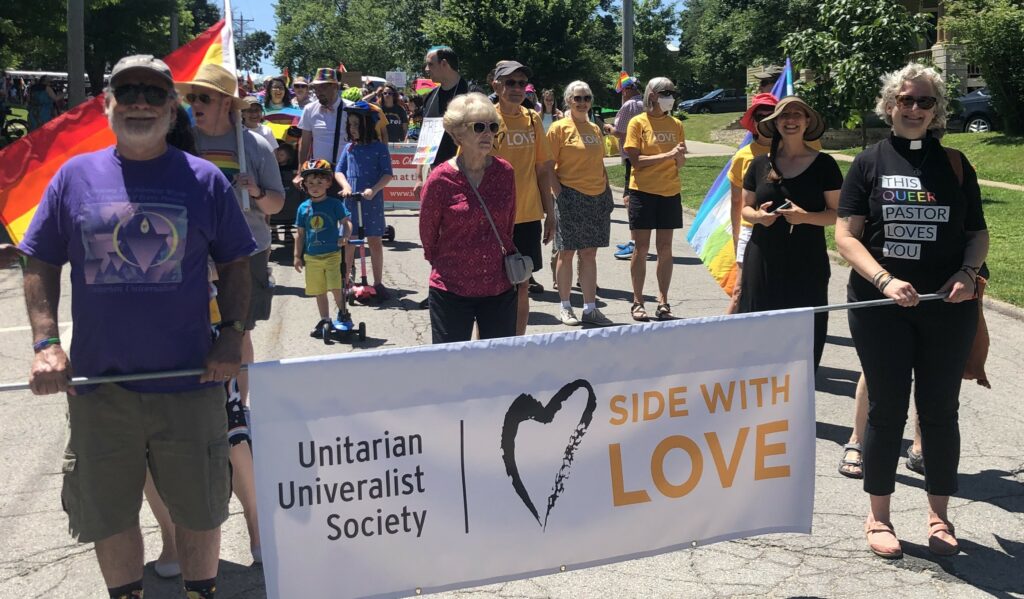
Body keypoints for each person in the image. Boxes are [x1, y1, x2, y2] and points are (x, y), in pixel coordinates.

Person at [18, 54, 256, 599]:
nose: (141, 103)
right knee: (109, 513)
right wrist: (47, 343)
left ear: (173, 108)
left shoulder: (204, 181)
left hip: (191, 381)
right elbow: (40, 261)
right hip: (103, 388)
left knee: (200, 508)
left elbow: (238, 264)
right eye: (128, 92)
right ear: (107, 104)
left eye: (154, 92)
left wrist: (231, 335)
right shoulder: (73, 177)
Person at [835, 63, 988, 559]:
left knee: (940, 411)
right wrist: (884, 278)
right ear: (889, 106)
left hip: (948, 307)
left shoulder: (958, 164)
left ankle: (938, 514)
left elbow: (977, 234)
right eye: (906, 100)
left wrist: (968, 274)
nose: (915, 109)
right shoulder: (867, 162)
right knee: (886, 408)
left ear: (937, 110)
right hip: (881, 305)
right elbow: (845, 236)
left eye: (925, 101)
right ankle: (878, 515)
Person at [177, 62, 285, 565]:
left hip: (244, 255)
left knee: (239, 329)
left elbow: (280, 204)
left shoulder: (255, 145)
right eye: (192, 95)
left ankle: (242, 403)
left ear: (227, 102)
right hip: (195, 262)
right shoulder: (181, 141)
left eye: (204, 95)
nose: (195, 102)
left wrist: (254, 191)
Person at [738, 96, 840, 371]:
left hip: (807, 261)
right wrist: (760, 217)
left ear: (808, 122)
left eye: (798, 114)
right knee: (758, 329)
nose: (791, 120)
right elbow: (745, 210)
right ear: (775, 123)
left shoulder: (825, 165)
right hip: (762, 259)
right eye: (784, 115)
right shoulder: (759, 164)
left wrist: (805, 217)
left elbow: (837, 214)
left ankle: (796, 400)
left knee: (803, 334)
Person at [419, 93, 517, 343]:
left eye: (492, 127)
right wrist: (447, 262)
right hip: (451, 288)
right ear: (457, 134)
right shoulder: (440, 179)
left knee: (497, 363)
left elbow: (508, 225)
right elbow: (428, 234)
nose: (487, 133)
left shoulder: (505, 172)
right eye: (478, 127)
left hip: (498, 286)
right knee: (450, 366)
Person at [490, 60, 556, 335]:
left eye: (522, 84)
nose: (517, 89)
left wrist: (550, 213)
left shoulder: (532, 120)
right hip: (493, 218)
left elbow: (543, 168)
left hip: (527, 215)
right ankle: (487, 347)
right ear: (495, 84)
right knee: (491, 288)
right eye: (510, 82)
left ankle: (517, 345)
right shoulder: (486, 119)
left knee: (522, 284)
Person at [547, 81, 614, 326]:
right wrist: (560, 195)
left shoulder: (595, 129)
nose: (582, 102)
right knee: (566, 253)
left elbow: (599, 164)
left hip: (597, 196)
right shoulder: (558, 129)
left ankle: (590, 308)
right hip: (570, 195)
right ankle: (566, 306)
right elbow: (548, 167)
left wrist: (607, 194)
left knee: (590, 254)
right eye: (577, 98)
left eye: (586, 97)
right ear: (568, 100)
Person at [623, 77, 686, 322]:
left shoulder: (676, 124)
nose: (669, 96)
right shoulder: (638, 122)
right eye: (664, 92)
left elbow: (679, 162)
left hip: (670, 191)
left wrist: (678, 157)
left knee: (665, 249)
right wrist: (668, 154)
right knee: (641, 248)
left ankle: (663, 301)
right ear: (652, 95)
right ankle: (638, 301)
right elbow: (636, 161)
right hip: (643, 192)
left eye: (671, 92)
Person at [724, 93, 778, 315]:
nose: (764, 120)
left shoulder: (791, 153)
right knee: (740, 289)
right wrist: (737, 239)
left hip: (785, 229)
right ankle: (720, 338)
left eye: (770, 115)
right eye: (759, 115)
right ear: (753, 121)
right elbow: (737, 202)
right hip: (750, 230)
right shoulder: (743, 156)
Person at [335, 102, 394, 298]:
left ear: (367, 126)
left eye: (356, 125)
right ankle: (346, 282)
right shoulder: (349, 148)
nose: (352, 129)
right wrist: (345, 186)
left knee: (375, 240)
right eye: (350, 125)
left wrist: (374, 189)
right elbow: (339, 172)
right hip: (351, 201)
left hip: (372, 200)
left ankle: (377, 282)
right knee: (350, 240)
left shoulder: (379, 148)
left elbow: (387, 174)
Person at [294, 159, 352, 335]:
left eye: (320, 182)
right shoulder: (303, 208)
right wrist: (297, 256)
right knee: (318, 290)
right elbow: (300, 234)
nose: (315, 186)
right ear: (304, 185)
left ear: (328, 183)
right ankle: (325, 319)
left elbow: (346, 222)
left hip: (333, 254)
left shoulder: (334, 204)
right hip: (312, 257)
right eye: (310, 183)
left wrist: (345, 236)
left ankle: (343, 314)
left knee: (336, 287)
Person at [611, 73, 644, 260]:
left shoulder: (630, 105)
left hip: (631, 157)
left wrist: (606, 128)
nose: (622, 94)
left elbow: (619, 131)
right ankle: (636, 241)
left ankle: (635, 243)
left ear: (629, 89)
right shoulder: (646, 104)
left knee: (628, 199)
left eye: (623, 91)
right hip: (645, 156)